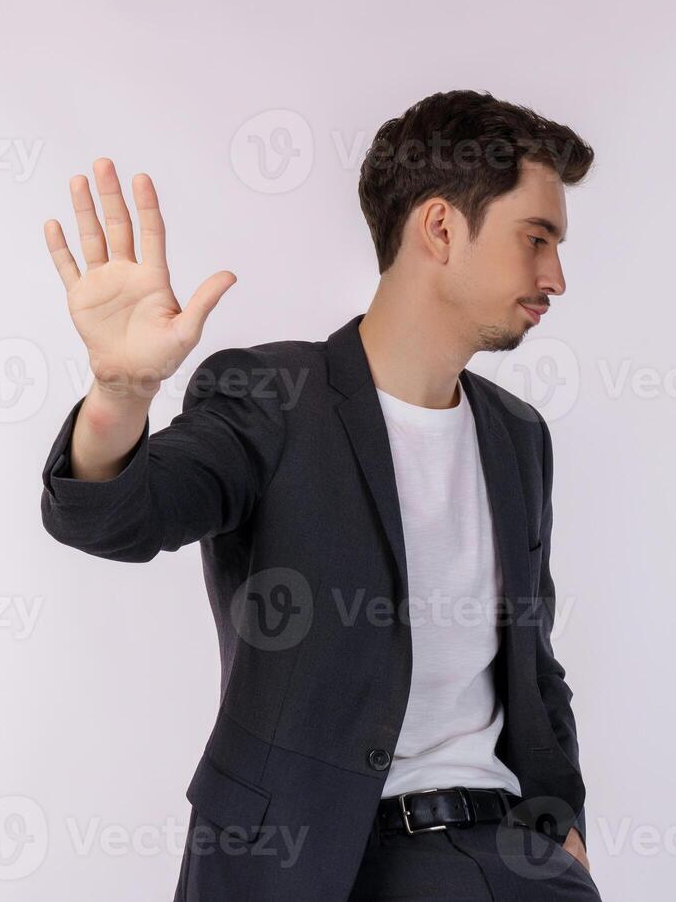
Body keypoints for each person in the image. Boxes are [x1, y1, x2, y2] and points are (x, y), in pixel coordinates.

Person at [38, 89, 601, 900]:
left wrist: (563, 826)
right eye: (537, 238)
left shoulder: (518, 436)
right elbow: (117, 518)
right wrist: (121, 394)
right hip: (305, 864)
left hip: (506, 862)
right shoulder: (271, 394)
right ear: (440, 228)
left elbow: (532, 663)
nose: (554, 275)